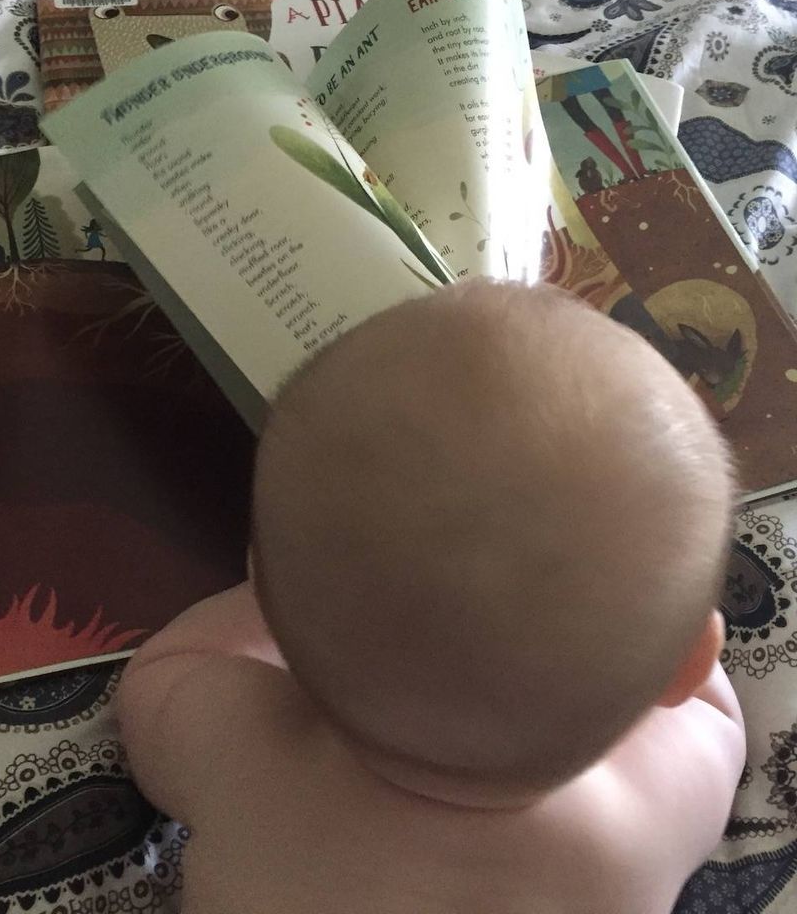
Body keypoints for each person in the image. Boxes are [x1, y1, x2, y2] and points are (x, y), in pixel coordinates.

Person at [117, 278, 745, 914]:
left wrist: (277, 590)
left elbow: (158, 676)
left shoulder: (249, 754)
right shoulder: (644, 818)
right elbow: (719, 722)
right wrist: (669, 632)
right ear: (688, 665)